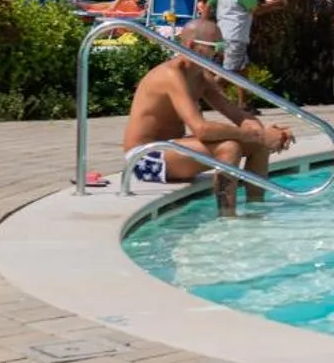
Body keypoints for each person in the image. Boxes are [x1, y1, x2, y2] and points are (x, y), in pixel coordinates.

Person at [124, 18, 294, 217]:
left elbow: (238, 115)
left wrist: (262, 132)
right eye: (215, 47)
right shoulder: (170, 75)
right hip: (144, 158)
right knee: (229, 147)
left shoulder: (200, 76)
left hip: (171, 149)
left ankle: (257, 211)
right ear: (192, 46)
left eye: (222, 46)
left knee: (258, 145)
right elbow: (201, 129)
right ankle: (227, 217)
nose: (219, 53)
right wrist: (255, 134)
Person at [214, 0, 259, 78]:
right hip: (236, 38)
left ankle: (242, 99)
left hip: (223, 35)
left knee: (242, 70)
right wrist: (277, 4)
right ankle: (203, 94)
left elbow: (206, 7)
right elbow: (256, 10)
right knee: (228, 74)